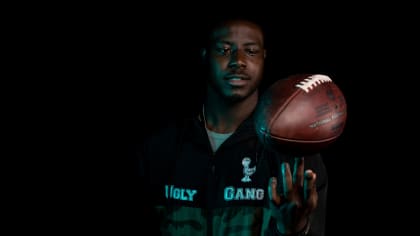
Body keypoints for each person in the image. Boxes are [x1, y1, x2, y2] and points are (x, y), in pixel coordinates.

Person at [137, 16, 328, 236]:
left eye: (251, 51)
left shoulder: (295, 157)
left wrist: (296, 230)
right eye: (225, 50)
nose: (238, 60)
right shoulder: (159, 147)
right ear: (205, 55)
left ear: (264, 57)